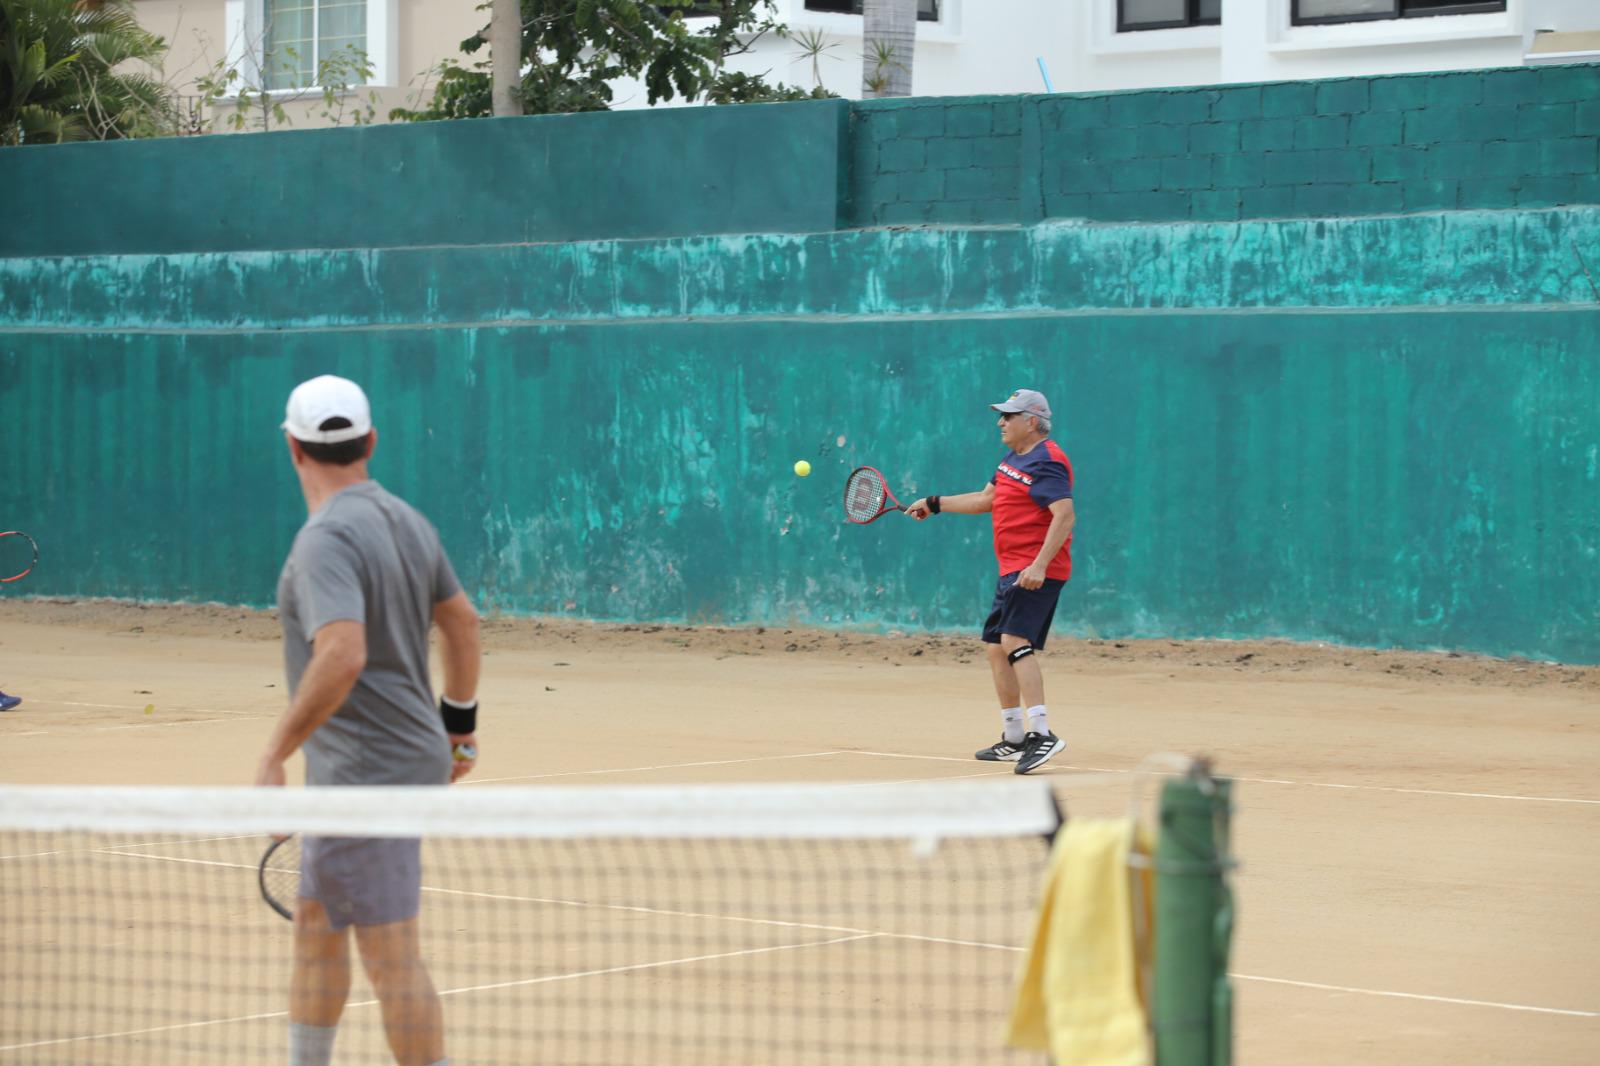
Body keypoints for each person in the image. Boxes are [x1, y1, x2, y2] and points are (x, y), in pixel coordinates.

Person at [255, 374, 482, 1066]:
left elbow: (343, 651)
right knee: (317, 933)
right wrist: (458, 724)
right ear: (371, 441)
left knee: (390, 953)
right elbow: (461, 621)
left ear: (292, 448)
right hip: (388, 762)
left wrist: (275, 753)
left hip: (364, 774)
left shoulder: (324, 540)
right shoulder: (407, 520)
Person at [905, 389, 1075, 775]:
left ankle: (1042, 734)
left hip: (1034, 570)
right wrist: (935, 504)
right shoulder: (1013, 459)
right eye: (1001, 415)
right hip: (1011, 568)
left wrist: (1039, 565)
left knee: (1015, 640)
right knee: (996, 647)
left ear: (1031, 421)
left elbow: (1064, 516)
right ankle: (1014, 737)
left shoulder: (1048, 461)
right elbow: (986, 501)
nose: (1001, 422)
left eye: (1009, 416)